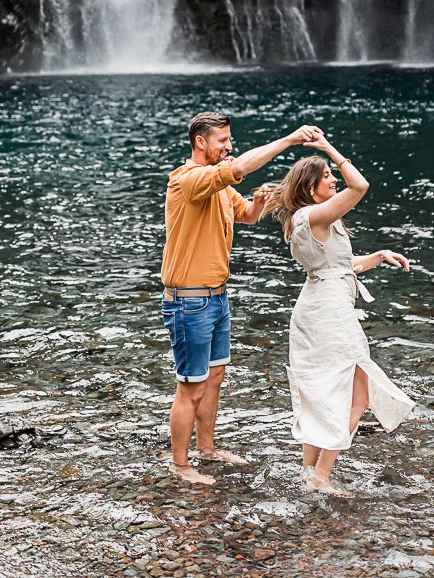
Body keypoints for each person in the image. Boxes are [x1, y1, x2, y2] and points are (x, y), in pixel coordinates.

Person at [163, 112, 321, 485]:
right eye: (222, 141)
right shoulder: (187, 180)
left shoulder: (218, 187)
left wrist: (260, 202)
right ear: (201, 142)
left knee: (214, 376)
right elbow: (236, 169)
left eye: (230, 141)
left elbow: (248, 216)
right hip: (189, 300)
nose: (228, 147)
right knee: (190, 385)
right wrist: (289, 140)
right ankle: (180, 464)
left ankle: (206, 449)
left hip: (216, 297)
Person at [271, 133, 414, 493]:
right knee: (356, 394)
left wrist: (378, 256)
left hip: (323, 307)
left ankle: (309, 474)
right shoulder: (313, 215)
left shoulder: (317, 219)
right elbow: (360, 185)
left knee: (326, 392)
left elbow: (340, 265)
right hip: (328, 314)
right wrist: (329, 151)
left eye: (332, 174)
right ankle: (321, 475)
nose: (334, 180)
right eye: (326, 177)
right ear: (311, 186)